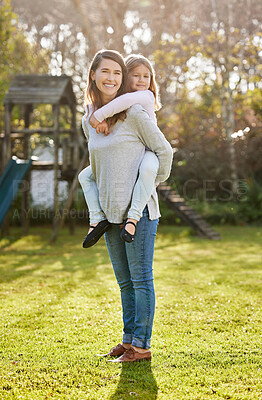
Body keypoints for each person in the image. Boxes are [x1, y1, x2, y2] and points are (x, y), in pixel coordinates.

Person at [81, 49, 173, 362]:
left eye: (117, 73)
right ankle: (128, 340)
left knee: (141, 280)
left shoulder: (135, 114)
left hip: (141, 213)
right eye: (105, 71)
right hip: (109, 214)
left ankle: (142, 346)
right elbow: (96, 167)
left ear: (122, 80)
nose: (111, 78)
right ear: (93, 74)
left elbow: (165, 152)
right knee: (124, 283)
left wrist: (149, 186)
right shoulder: (89, 121)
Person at [79, 54, 162, 248]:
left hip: (148, 153)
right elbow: (98, 106)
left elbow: (118, 104)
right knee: (85, 176)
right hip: (128, 158)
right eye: (136, 75)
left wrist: (97, 116)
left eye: (146, 76)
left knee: (149, 171)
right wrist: (97, 116)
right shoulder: (121, 102)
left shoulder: (142, 97)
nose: (141, 80)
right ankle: (96, 218)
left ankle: (133, 219)